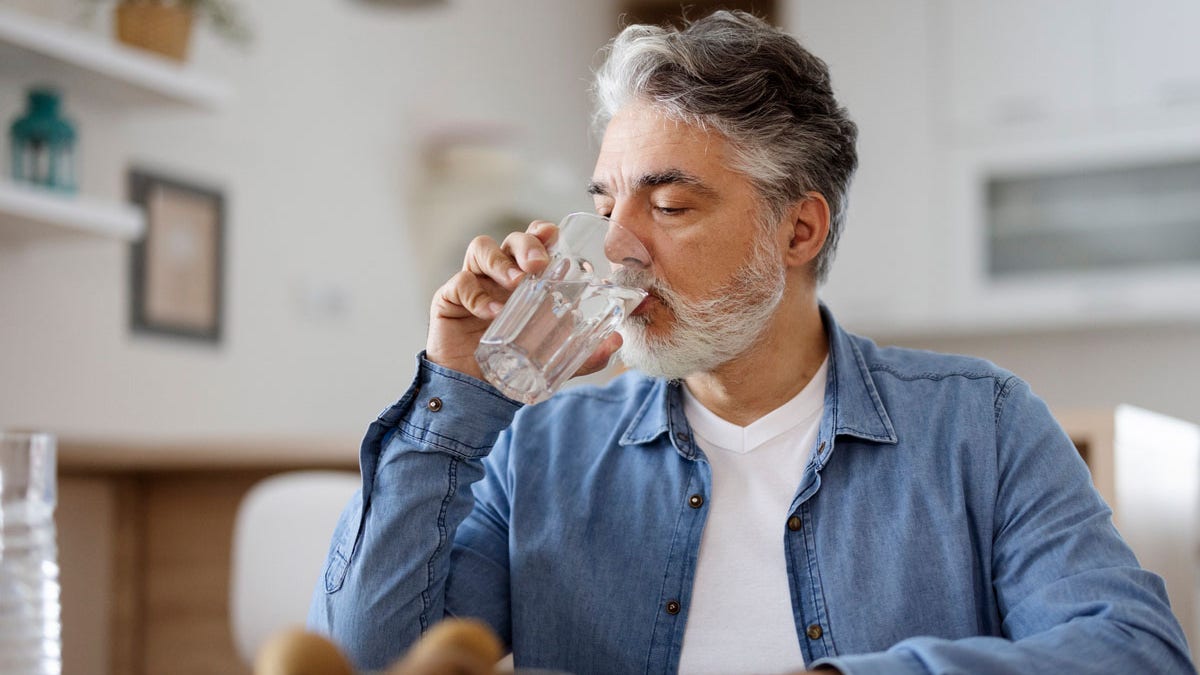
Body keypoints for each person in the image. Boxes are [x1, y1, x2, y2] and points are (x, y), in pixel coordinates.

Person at [309, 11, 1194, 675]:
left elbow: (1135, 650)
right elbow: (369, 655)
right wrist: (458, 390)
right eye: (607, 201)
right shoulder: (539, 448)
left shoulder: (981, 424)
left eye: (669, 205)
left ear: (799, 230)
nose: (615, 243)